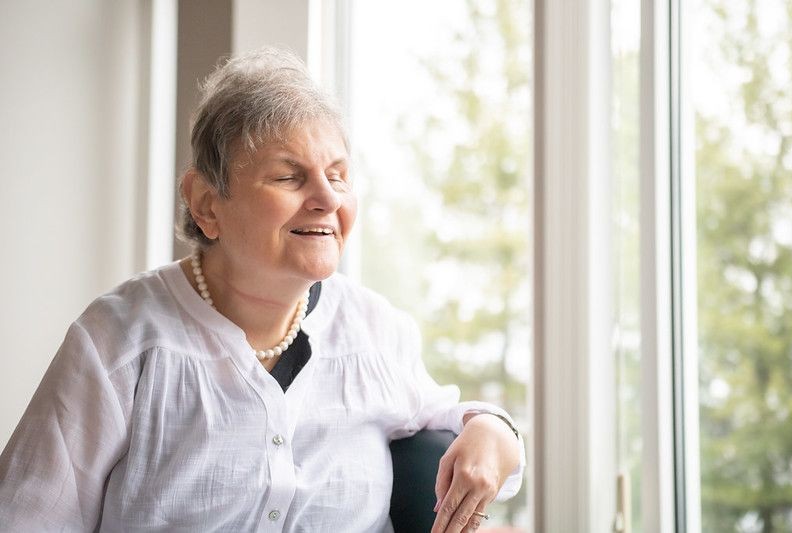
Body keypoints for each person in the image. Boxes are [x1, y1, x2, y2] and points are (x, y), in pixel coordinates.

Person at [0, 47, 524, 532]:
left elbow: (451, 416)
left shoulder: (375, 332)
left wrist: (495, 432)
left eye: (338, 176)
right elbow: (28, 516)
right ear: (207, 203)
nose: (326, 199)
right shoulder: (118, 341)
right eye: (289, 177)